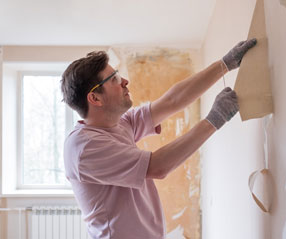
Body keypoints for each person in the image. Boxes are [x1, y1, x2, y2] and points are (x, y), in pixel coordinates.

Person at [61, 38, 256, 239]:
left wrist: (224, 64)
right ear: (95, 98)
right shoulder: (84, 147)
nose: (124, 81)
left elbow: (172, 101)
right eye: (114, 79)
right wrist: (214, 119)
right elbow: (157, 166)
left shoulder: (119, 124)